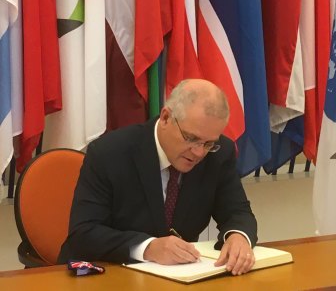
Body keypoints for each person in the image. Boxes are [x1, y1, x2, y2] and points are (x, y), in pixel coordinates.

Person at [58, 79, 258, 275]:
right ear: (165, 118)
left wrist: (238, 236)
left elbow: (237, 212)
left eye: (208, 143)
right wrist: (148, 248)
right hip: (106, 275)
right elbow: (84, 233)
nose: (198, 153)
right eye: (191, 139)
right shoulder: (110, 152)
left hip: (179, 277)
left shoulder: (219, 154)